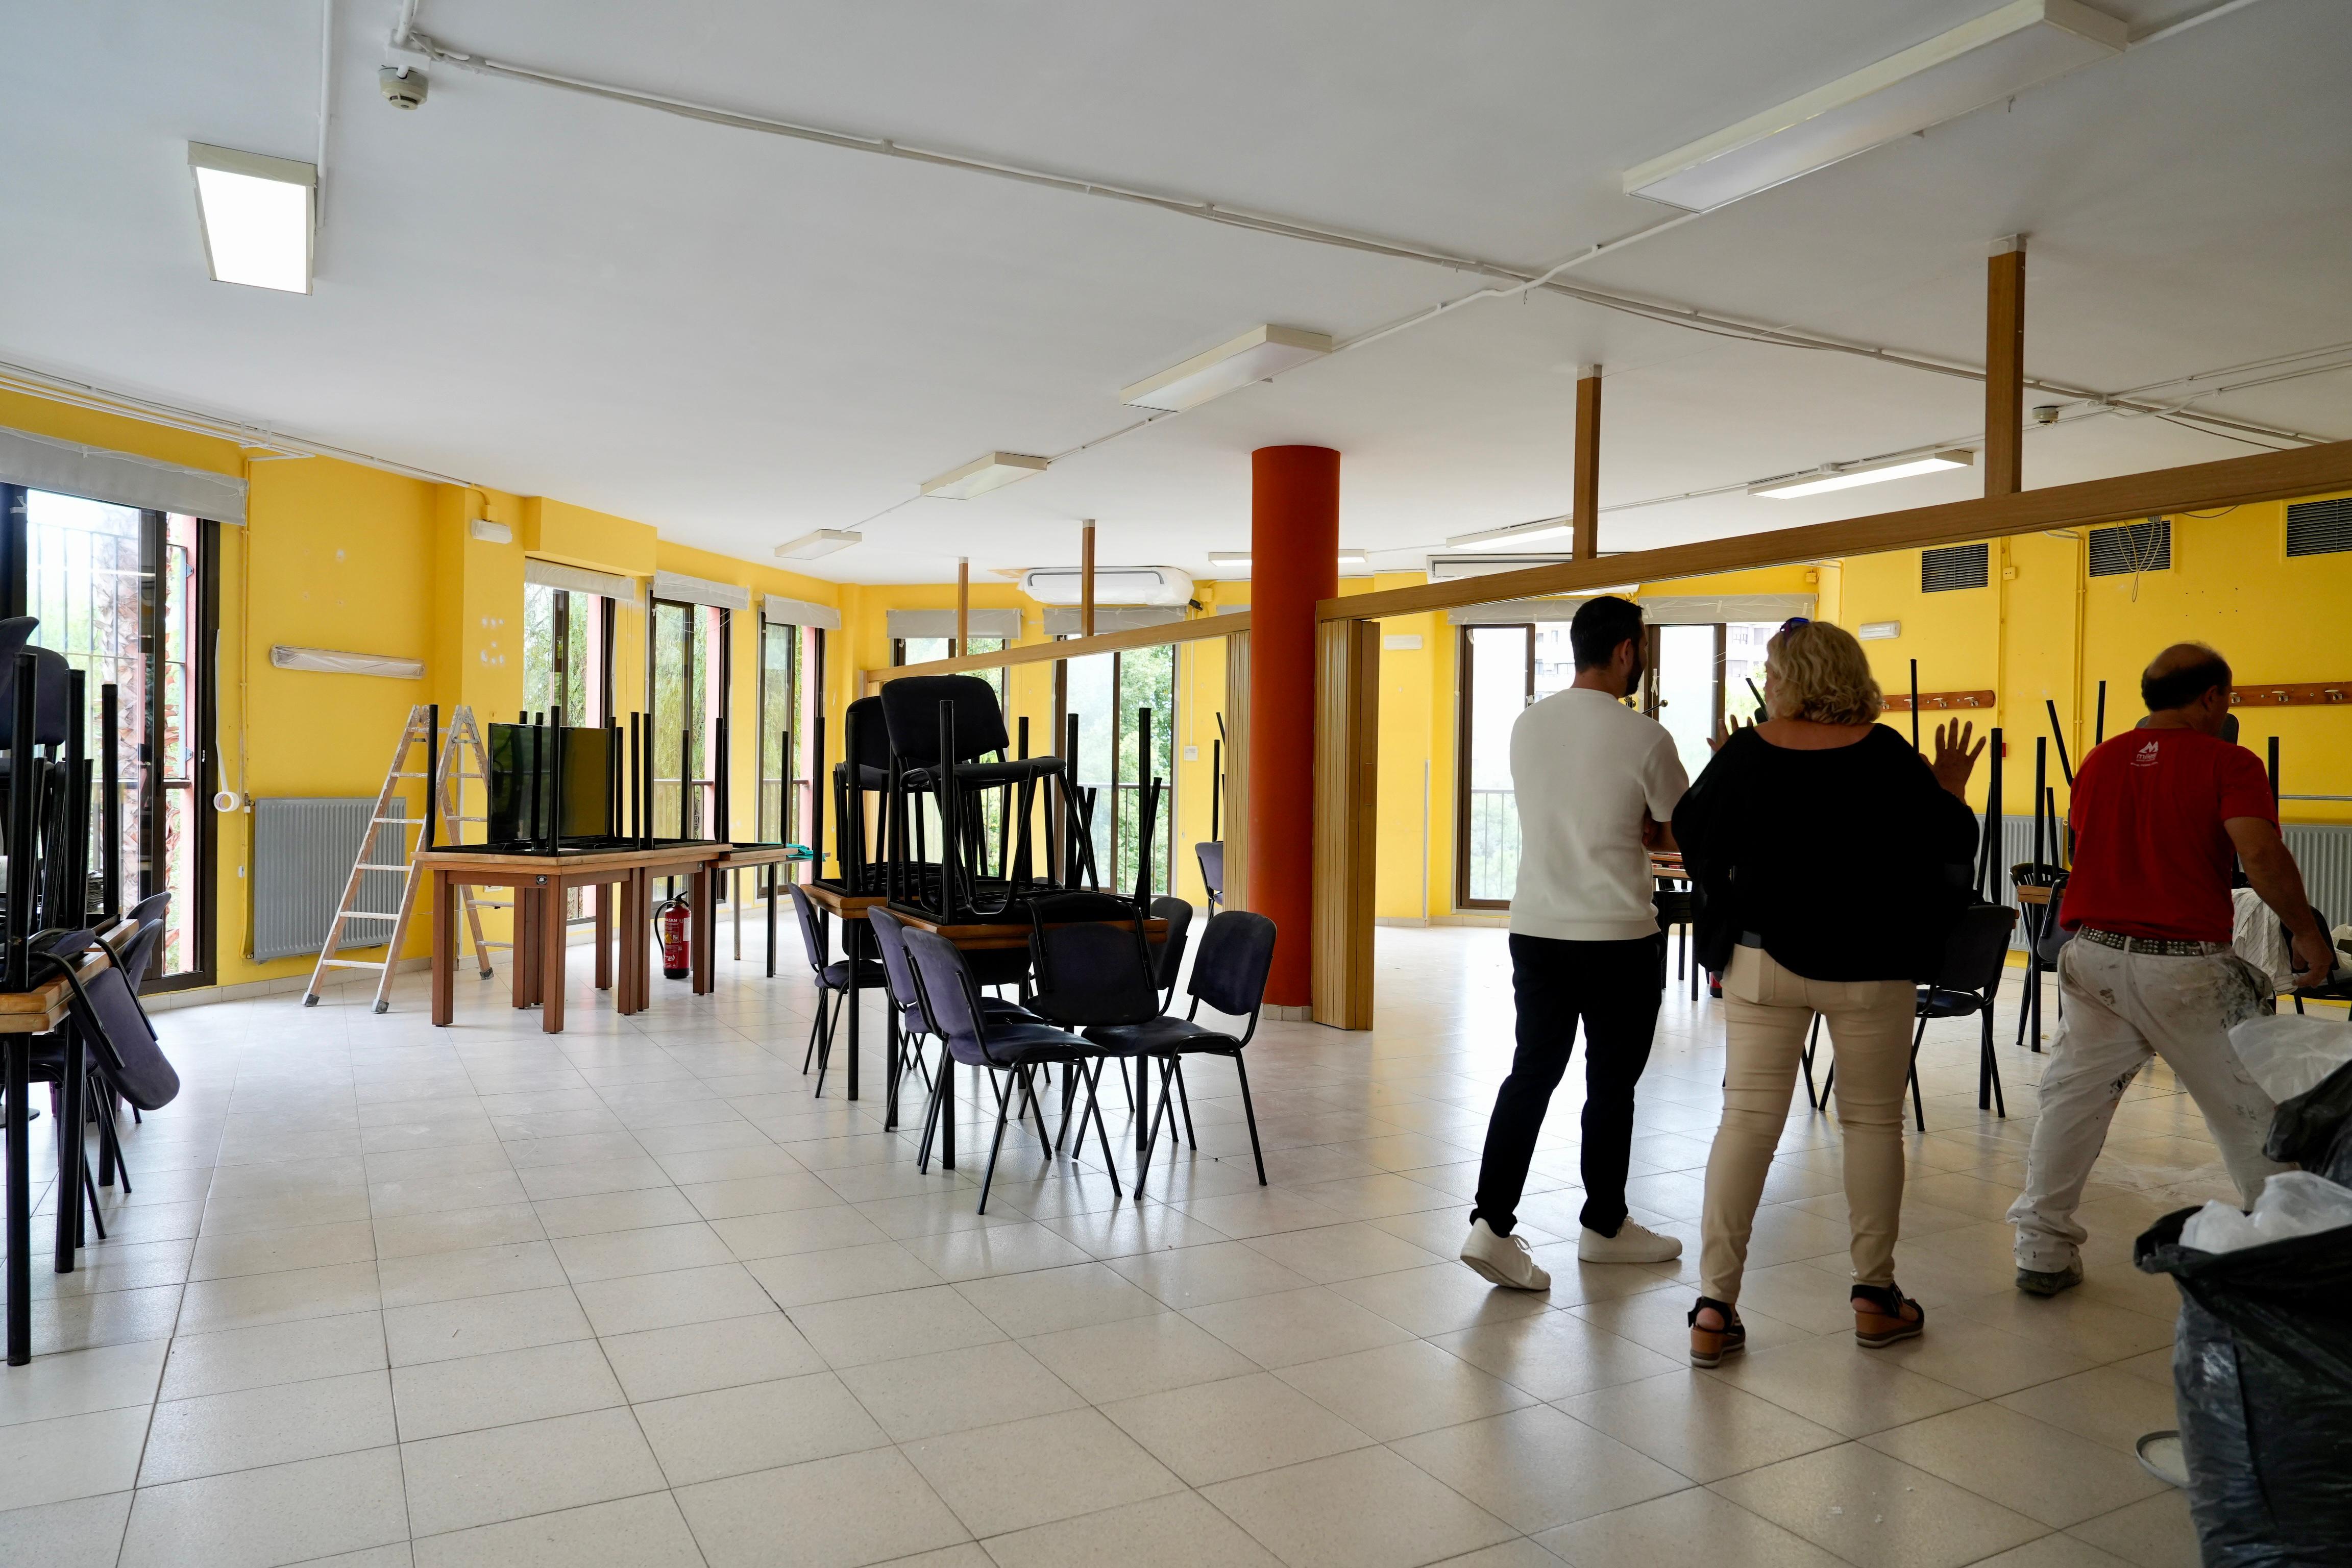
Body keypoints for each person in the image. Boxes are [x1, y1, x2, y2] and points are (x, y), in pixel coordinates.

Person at [1673, 620, 1981, 1366]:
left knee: (1746, 1121)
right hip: (1873, 968)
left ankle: (1715, 1308)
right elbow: (1950, 848)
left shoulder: (1745, 754)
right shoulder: (1888, 756)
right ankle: (1875, 1298)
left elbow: (1691, 837)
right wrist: (1948, 790)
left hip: (1762, 964)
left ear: (1786, 679)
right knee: (1873, 1125)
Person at [2007, 643, 2326, 1296]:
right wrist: (2304, 930)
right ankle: (2291, 1258)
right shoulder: (2228, 761)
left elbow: (2089, 850)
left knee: (2072, 1104)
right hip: (2185, 970)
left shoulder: (2097, 761)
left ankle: (2041, 1249)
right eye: (2227, 699)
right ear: (2211, 697)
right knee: (2247, 1114)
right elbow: (2260, 855)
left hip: (2093, 957)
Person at [1459, 595, 1689, 1291]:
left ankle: (1491, 1225)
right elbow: (1681, 835)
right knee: (1610, 1085)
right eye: (1641, 648)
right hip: (1617, 935)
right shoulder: (1645, 737)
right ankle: (1604, 1227)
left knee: (1532, 1072)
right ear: (1625, 650)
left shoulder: (1528, 725)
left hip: (1537, 929)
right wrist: (1653, 833)